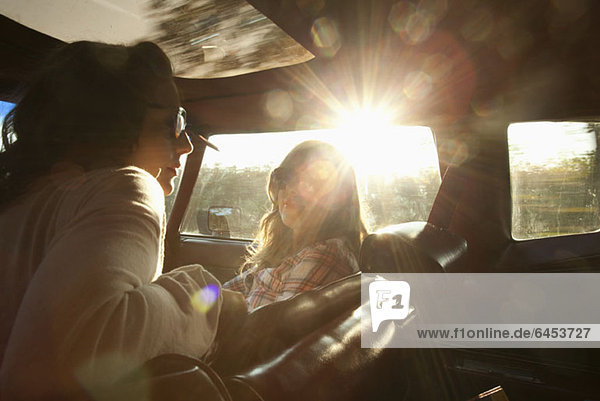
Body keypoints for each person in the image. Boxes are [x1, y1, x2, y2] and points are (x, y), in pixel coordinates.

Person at [0, 41, 245, 400]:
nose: (188, 145)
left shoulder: (21, 207)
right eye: (172, 122)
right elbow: (67, 359)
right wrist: (210, 297)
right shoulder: (124, 184)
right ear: (103, 128)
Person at [224, 140, 367, 311]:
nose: (292, 188)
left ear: (337, 198)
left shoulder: (326, 255)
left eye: (310, 182)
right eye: (285, 178)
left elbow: (268, 330)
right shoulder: (287, 250)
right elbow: (222, 292)